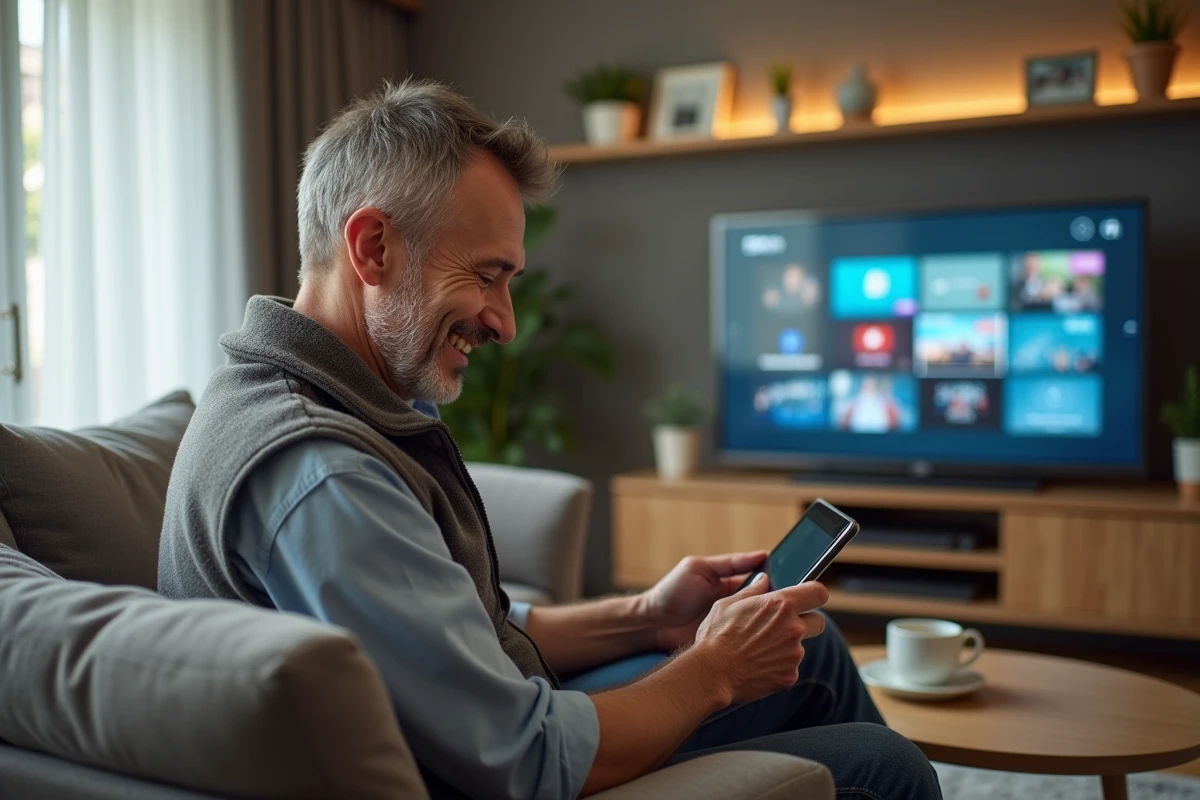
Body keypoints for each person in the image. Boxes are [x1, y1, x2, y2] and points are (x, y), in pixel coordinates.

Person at [158, 79, 941, 800]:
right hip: (498, 777)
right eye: (486, 275)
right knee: (887, 769)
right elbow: (524, 758)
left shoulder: (325, 398)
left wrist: (650, 616)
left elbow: (456, 629)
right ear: (373, 248)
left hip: (492, 734)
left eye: (510, 282)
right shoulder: (321, 475)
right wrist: (712, 669)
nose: (503, 320)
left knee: (814, 643)